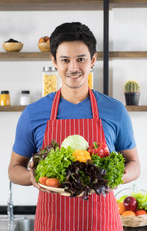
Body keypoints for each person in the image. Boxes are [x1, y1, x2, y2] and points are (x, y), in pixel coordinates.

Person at [8, 22, 140, 231]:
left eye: (81, 59)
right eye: (65, 60)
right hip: (52, 223)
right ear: (54, 62)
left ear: (93, 60)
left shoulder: (115, 110)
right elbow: (14, 169)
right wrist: (33, 177)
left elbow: (134, 164)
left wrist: (112, 177)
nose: (73, 68)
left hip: (102, 223)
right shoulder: (33, 113)